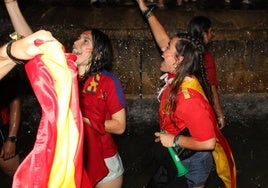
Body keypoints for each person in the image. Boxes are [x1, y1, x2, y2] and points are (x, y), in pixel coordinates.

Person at [4, 0, 127, 187]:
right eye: (79, 38)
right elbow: (33, 44)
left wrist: (82, 120)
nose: (76, 42)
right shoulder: (63, 72)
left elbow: (119, 126)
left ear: (99, 54)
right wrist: (12, 4)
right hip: (68, 156)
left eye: (86, 40)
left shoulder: (109, 81)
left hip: (105, 158)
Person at [136, 1, 226, 129]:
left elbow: (206, 142)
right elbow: (162, 38)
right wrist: (144, 8)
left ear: (179, 59)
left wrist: (176, 140)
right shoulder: (182, 70)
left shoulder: (188, 96)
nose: (163, 52)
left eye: (168, 48)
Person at [187, 16, 226, 129]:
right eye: (210, 31)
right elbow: (212, 89)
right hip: (199, 106)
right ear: (204, 33)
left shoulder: (184, 51)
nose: (212, 34)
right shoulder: (206, 58)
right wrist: (220, 115)